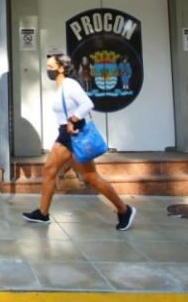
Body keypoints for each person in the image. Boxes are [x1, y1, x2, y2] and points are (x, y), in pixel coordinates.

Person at [23, 53, 136, 231]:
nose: (48, 70)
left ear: (61, 68)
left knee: (85, 176)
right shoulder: (61, 87)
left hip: (73, 133)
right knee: (58, 171)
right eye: (47, 67)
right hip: (66, 134)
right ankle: (43, 213)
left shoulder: (70, 84)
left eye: (51, 67)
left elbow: (87, 104)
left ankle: (124, 209)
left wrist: (72, 120)